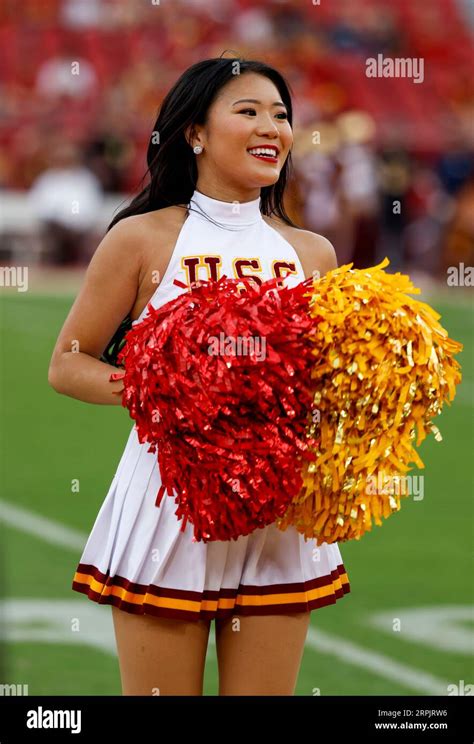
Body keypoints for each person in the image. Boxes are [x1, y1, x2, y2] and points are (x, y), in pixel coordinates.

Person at [48, 56, 351, 696]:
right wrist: (172, 395)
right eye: (248, 111)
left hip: (278, 516)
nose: (272, 127)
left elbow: (325, 387)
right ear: (195, 132)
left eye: (281, 115)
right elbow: (68, 363)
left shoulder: (311, 253)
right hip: (167, 506)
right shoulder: (143, 238)